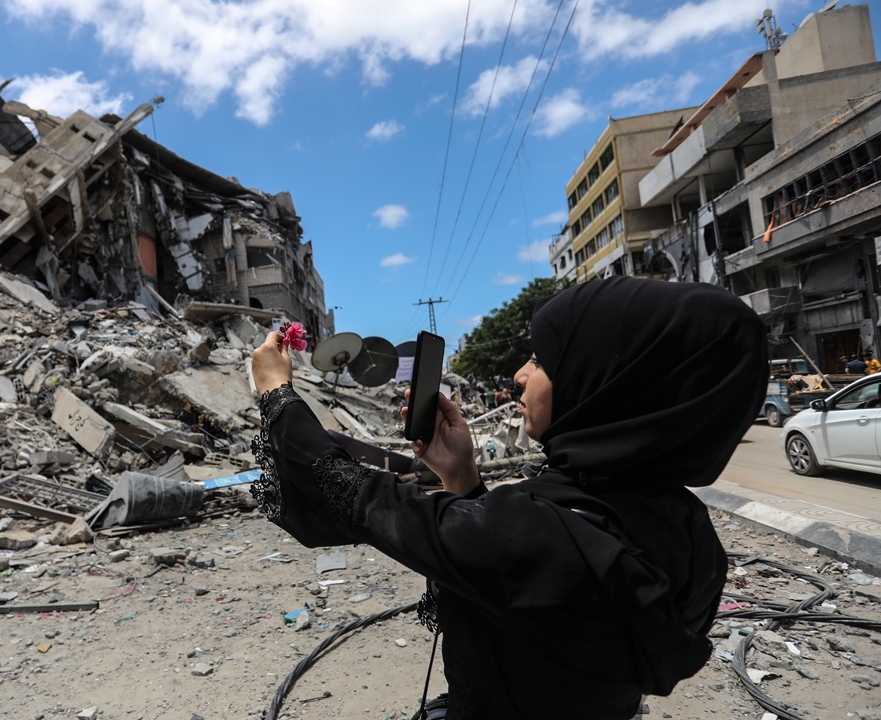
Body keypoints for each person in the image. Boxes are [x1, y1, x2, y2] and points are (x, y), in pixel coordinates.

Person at [250, 276, 766, 719]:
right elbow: (516, 603)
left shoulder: (543, 539)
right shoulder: (685, 530)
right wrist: (463, 478)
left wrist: (277, 394)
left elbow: (353, 497)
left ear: (608, 381)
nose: (520, 374)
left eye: (542, 360)